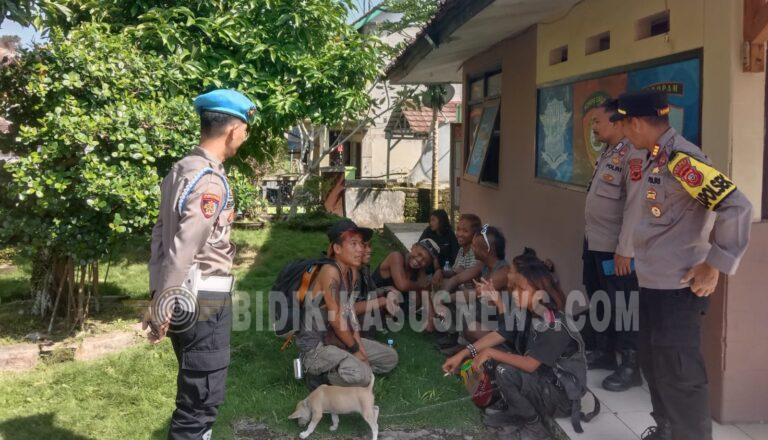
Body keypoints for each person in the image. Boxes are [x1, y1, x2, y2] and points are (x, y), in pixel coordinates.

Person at [612, 90, 752, 440]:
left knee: (679, 374)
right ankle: (666, 430)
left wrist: (714, 264)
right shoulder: (654, 157)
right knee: (654, 365)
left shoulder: (682, 161)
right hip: (653, 284)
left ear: (638, 123)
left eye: (625, 125)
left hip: (678, 289)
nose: (624, 133)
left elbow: (737, 206)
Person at [145, 89, 255, 440]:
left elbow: (160, 239)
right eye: (245, 129)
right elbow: (183, 247)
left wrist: (158, 295)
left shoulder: (179, 170)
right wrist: (163, 305)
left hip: (182, 296)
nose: (245, 136)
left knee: (196, 394)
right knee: (200, 403)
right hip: (203, 298)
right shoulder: (209, 180)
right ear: (232, 130)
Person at [442, 249, 587, 440]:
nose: (515, 294)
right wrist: (462, 355)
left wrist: (490, 353)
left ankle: (534, 426)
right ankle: (517, 411)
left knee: (504, 369)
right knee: (497, 352)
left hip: (562, 396)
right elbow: (500, 334)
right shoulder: (530, 311)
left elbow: (530, 364)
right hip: (544, 379)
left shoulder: (554, 324)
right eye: (514, 288)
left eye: (521, 289)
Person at [582, 97, 644, 391]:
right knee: (599, 297)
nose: (593, 127)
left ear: (616, 122)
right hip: (595, 241)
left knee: (624, 304)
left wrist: (626, 249)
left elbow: (635, 206)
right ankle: (604, 352)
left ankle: (631, 367)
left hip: (615, 248)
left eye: (597, 121)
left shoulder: (633, 155)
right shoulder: (609, 152)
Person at [297, 219, 398, 389]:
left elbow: (350, 317)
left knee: (390, 358)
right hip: (316, 348)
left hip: (337, 342)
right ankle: (318, 377)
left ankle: (348, 369)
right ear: (337, 249)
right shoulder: (330, 272)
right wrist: (356, 351)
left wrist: (362, 354)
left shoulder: (352, 274)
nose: (361, 249)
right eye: (353, 244)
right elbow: (337, 321)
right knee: (363, 376)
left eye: (361, 244)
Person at [371, 238, 439, 329]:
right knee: (394, 293)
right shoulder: (396, 256)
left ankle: (390, 318)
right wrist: (421, 285)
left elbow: (425, 293)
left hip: (391, 306)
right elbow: (402, 285)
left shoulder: (420, 271)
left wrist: (431, 319)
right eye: (419, 254)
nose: (419, 260)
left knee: (418, 296)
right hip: (373, 297)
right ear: (413, 247)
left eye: (424, 261)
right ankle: (382, 317)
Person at [353, 238, 400, 337]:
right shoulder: (350, 273)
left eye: (369, 246)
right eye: (364, 246)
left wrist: (388, 290)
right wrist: (381, 301)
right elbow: (349, 309)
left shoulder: (364, 268)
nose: (369, 250)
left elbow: (372, 291)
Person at [419, 209, 459, 285]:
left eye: (433, 220)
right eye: (430, 220)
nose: (431, 223)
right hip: (429, 269)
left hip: (446, 270)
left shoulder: (450, 233)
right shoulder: (428, 231)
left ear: (441, 221)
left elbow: (455, 253)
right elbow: (419, 246)